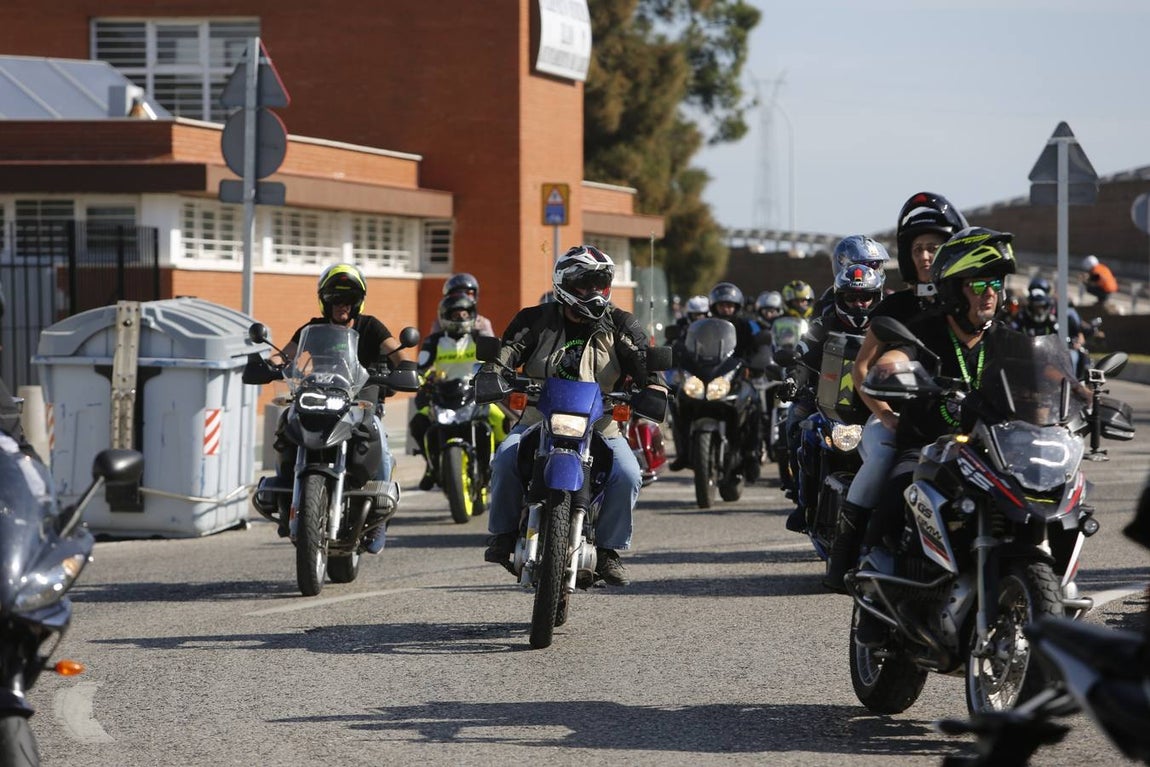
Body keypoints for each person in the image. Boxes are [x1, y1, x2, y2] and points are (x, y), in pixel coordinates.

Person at [852, 227, 1016, 637]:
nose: (989, 294)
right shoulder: (924, 330)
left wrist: (1082, 391)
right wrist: (890, 369)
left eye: (994, 284)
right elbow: (891, 357)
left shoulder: (1006, 340)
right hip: (927, 446)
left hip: (987, 451)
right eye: (978, 285)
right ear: (955, 290)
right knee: (898, 490)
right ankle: (873, 593)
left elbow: (1046, 374)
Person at [482, 245, 666, 586]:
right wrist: (492, 371)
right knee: (505, 458)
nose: (594, 292)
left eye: (600, 284)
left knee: (627, 473)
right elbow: (508, 351)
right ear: (564, 283)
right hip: (539, 418)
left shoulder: (621, 324)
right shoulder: (534, 319)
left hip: (601, 422)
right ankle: (504, 535)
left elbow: (644, 361)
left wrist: (654, 386)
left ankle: (609, 551)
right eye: (585, 284)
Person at [834, 192, 968, 589]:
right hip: (901, 423)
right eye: (919, 249)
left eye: (935, 247)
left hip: (963, 423)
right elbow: (863, 366)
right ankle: (848, 553)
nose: (927, 256)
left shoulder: (968, 303)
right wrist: (884, 414)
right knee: (884, 469)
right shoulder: (896, 309)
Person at [266, 264, 406, 552]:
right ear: (324, 300)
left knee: (376, 433)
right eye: (335, 299)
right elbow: (285, 354)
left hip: (359, 401)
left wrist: (405, 369)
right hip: (318, 397)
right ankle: (283, 490)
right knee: (286, 421)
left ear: (357, 302)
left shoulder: (371, 326)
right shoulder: (312, 328)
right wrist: (269, 365)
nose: (341, 305)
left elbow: (399, 355)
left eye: (348, 300)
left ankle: (378, 518)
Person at [783, 259, 885, 538]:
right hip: (827, 401)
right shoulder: (822, 324)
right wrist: (793, 380)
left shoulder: (887, 326)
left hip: (875, 406)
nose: (859, 304)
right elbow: (802, 359)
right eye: (852, 297)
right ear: (840, 298)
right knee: (797, 427)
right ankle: (803, 501)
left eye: (866, 297)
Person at [409, 293, 509, 490]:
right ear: (445, 317)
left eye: (465, 314)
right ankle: (431, 466)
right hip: (443, 395)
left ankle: (503, 462)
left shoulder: (479, 337)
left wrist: (496, 372)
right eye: (456, 315)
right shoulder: (434, 341)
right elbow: (421, 366)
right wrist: (418, 379)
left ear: (472, 315)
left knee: (503, 420)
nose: (461, 319)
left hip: (476, 393)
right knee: (417, 423)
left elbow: (497, 360)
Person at [429, 273, 496, 336]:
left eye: (469, 293)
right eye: (457, 293)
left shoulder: (483, 323)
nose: (463, 298)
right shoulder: (440, 323)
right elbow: (430, 346)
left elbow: (492, 347)